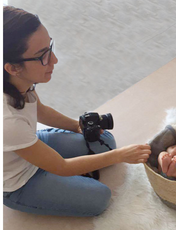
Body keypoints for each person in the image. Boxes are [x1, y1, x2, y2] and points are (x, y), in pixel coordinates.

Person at [3, 6, 151, 217]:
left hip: (30, 145)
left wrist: (77, 126)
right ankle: (50, 181)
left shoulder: (17, 82)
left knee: (105, 142)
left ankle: (59, 170)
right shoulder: (7, 120)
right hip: (20, 182)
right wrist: (120, 156)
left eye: (50, 47)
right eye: (42, 56)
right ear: (13, 67)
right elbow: (62, 167)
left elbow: (41, 111)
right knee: (100, 197)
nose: (54, 60)